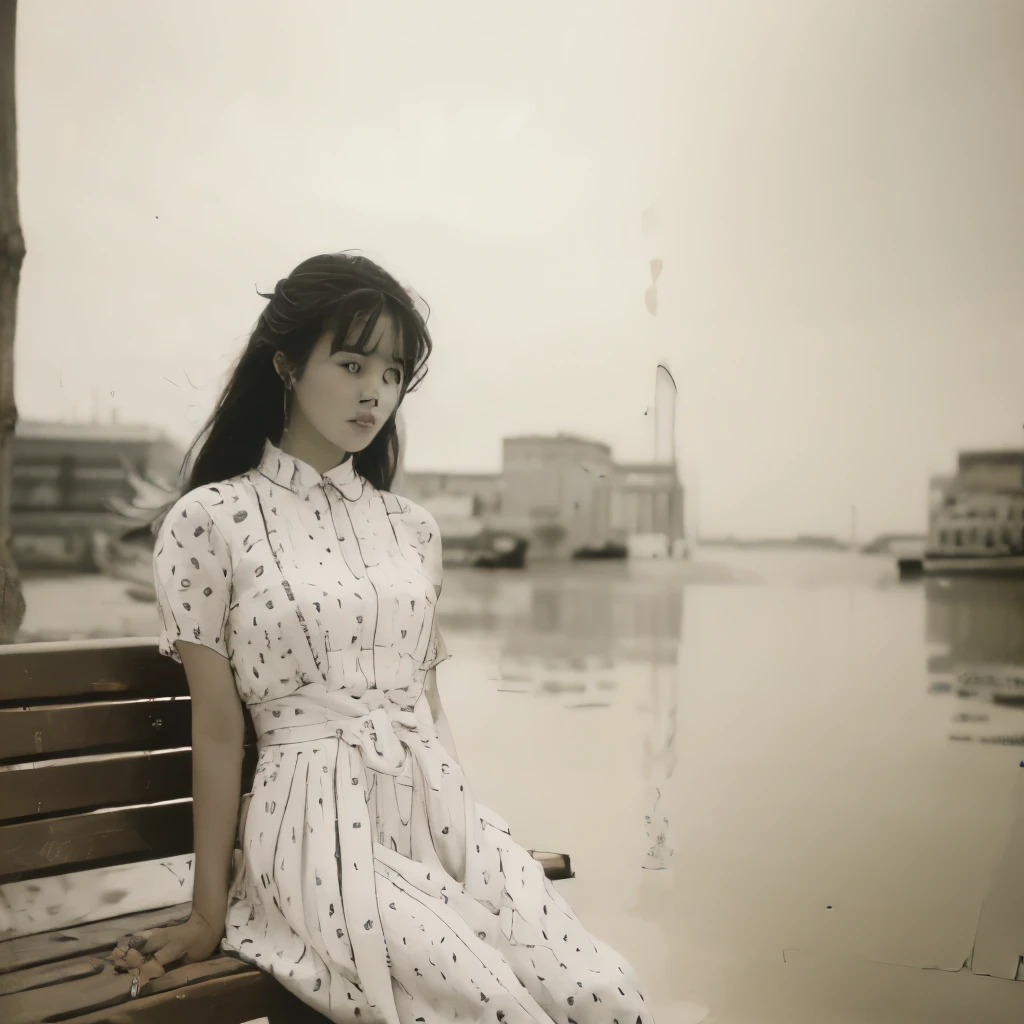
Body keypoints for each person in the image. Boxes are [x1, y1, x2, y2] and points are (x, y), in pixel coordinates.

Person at [110, 252, 654, 1023]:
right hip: (310, 829)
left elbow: (429, 711)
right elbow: (220, 730)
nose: (375, 392)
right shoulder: (210, 520)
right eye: (352, 362)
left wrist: (476, 847)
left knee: (603, 992)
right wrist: (207, 912)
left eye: (393, 372)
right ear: (286, 364)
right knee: (493, 1002)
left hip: (433, 815)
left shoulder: (411, 528)